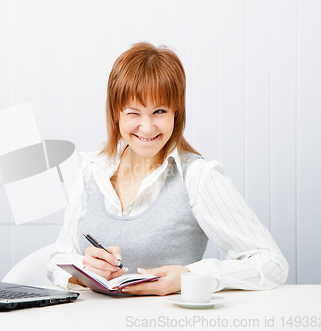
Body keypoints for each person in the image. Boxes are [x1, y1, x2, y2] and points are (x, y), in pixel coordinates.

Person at [47, 42, 288, 296]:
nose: (147, 127)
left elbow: (272, 264)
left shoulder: (198, 177)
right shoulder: (92, 170)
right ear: (116, 114)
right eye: (134, 113)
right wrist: (84, 272)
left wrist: (191, 277)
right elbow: (56, 260)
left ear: (176, 113)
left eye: (159, 111)